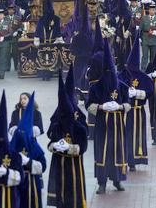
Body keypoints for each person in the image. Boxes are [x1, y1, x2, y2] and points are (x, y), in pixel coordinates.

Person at [87, 43, 130, 194]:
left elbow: (128, 104)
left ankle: (117, 180)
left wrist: (119, 107)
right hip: (102, 126)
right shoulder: (96, 87)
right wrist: (101, 107)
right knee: (102, 152)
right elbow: (89, 106)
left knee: (117, 151)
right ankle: (102, 183)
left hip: (117, 125)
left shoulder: (122, 86)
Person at [47, 68, 88, 207]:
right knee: (60, 189)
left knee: (74, 189)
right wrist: (56, 146)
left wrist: (71, 148)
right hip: (59, 161)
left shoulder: (79, 119)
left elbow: (83, 142)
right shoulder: (57, 119)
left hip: (74, 163)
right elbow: (50, 137)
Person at [118, 30, 154, 171]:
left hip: (138, 112)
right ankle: (127, 159)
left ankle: (135, 159)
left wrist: (138, 93)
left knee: (137, 136)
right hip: (127, 112)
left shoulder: (143, 77)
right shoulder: (122, 76)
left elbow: (150, 92)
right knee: (126, 135)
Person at [9, 92, 46, 208]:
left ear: (29, 100)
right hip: (18, 142)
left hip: (30, 142)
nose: (23, 101)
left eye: (25, 98)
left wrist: (33, 130)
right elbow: (11, 126)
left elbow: (40, 128)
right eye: (21, 99)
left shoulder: (36, 113)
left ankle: (37, 179)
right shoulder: (15, 113)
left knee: (32, 157)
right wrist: (14, 129)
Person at [140, 3, 156, 70]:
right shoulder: (144, 18)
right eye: (150, 10)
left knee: (153, 57)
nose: (152, 11)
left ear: (155, 11)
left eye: (153, 10)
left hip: (154, 40)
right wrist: (140, 38)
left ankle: (152, 70)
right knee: (144, 56)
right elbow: (140, 29)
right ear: (148, 10)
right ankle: (143, 70)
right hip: (145, 39)